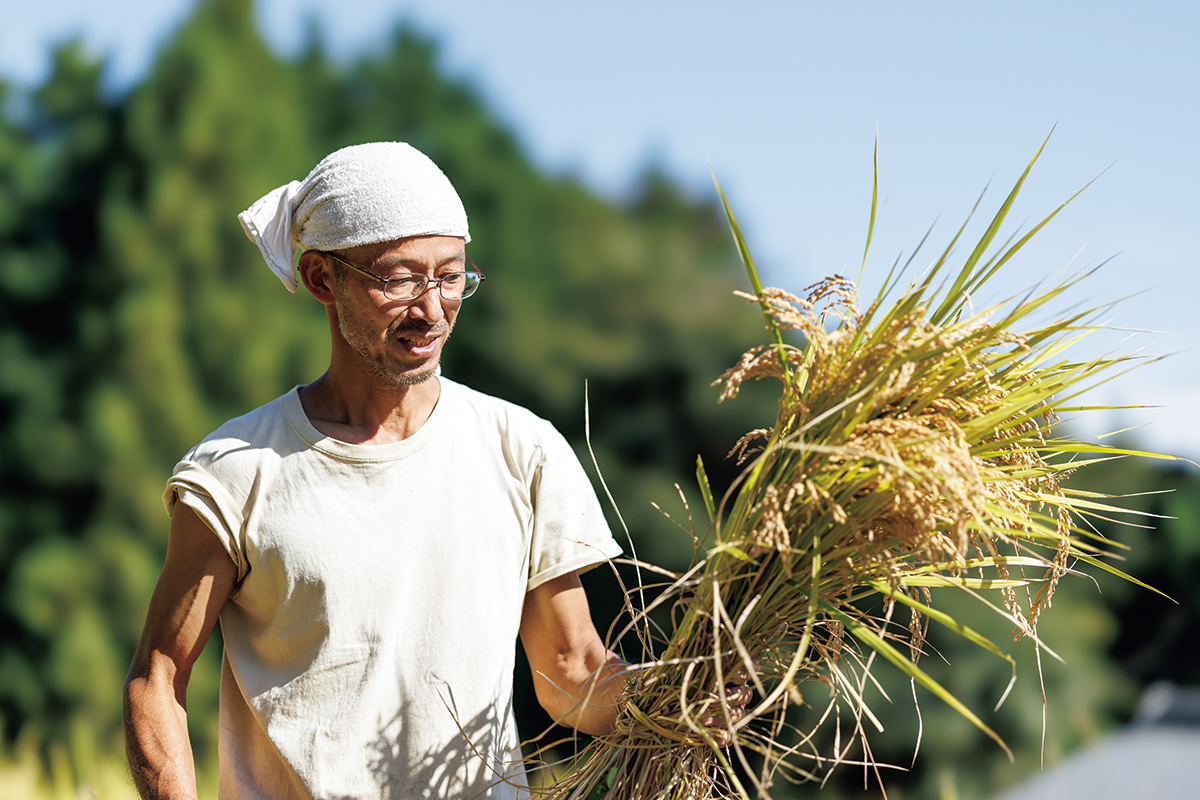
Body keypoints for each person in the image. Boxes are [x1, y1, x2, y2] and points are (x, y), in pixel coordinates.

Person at [122, 142, 748, 800]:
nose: (431, 309)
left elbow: (570, 672)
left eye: (450, 277)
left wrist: (680, 692)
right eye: (398, 279)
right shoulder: (238, 472)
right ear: (320, 279)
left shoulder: (521, 450)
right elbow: (156, 677)